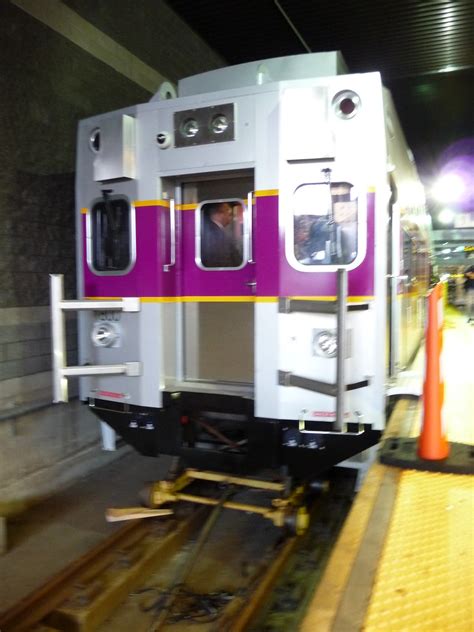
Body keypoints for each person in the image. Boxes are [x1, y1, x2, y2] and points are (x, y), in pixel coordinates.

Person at [201, 202, 242, 268]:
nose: (231, 217)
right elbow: (222, 260)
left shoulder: (215, 230)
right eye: (228, 213)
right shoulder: (213, 233)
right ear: (219, 214)